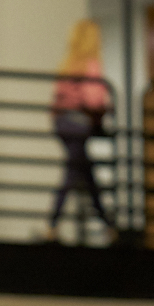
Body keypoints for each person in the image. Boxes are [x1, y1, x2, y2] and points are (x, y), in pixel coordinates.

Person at [40, 18, 117, 245]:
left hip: (62, 123)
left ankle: (108, 226)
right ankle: (53, 225)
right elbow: (94, 100)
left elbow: (57, 99)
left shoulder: (68, 64)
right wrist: (105, 109)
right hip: (79, 124)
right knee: (73, 173)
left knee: (84, 172)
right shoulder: (90, 64)